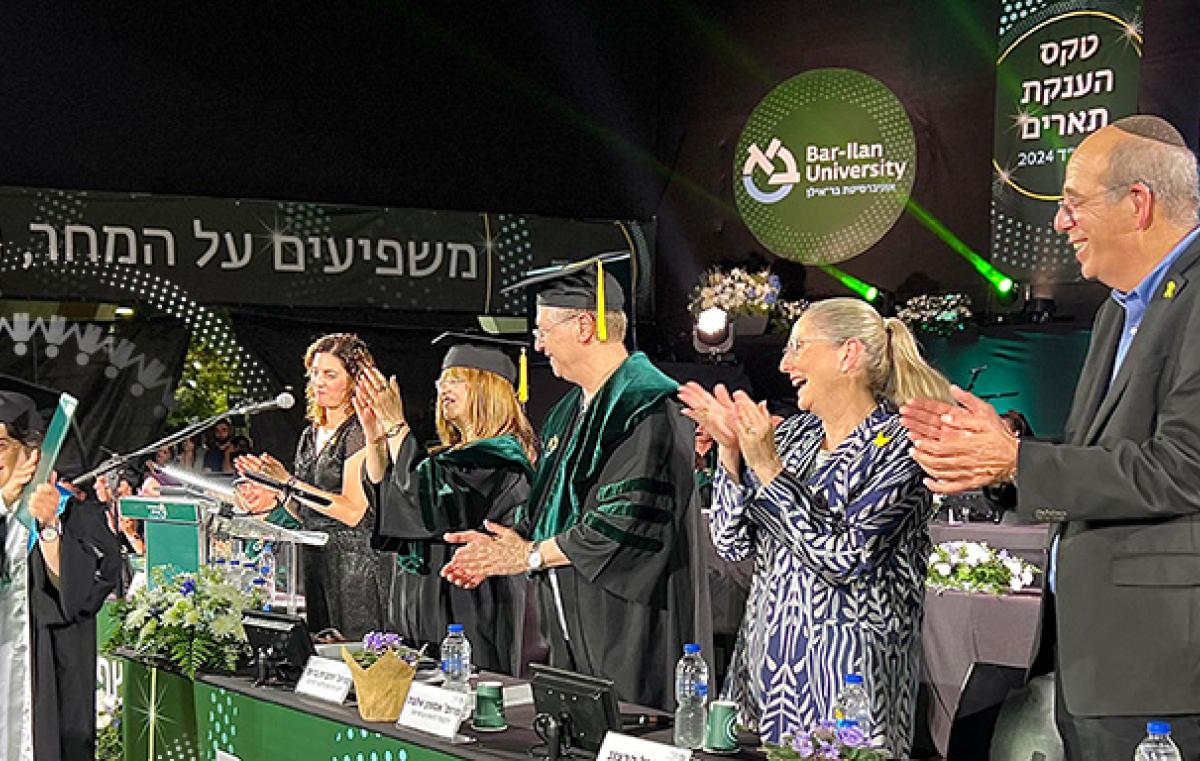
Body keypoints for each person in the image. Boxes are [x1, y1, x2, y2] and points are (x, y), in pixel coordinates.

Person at [900, 115, 1200, 760]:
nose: (1061, 223)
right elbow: (1106, 455)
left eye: (1073, 203)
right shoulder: (1118, 311)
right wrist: (1004, 457)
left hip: (1164, 672)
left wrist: (1019, 463)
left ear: (1138, 203)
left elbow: (1184, 468)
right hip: (1097, 662)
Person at [678, 297, 952, 754]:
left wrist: (768, 468)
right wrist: (729, 453)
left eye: (798, 347)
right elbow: (730, 542)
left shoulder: (903, 448)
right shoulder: (792, 437)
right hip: (766, 680)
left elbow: (844, 558)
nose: (785, 364)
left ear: (848, 354)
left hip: (849, 687)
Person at [441, 255, 708, 710]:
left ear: (584, 326)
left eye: (543, 330)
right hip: (569, 614)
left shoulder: (646, 409)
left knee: (627, 729)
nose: (538, 344)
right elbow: (550, 505)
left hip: (631, 620)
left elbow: (623, 525)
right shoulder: (568, 412)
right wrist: (505, 543)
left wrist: (527, 556)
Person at [357, 335, 536, 673]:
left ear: (488, 389)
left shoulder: (499, 460)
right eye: (442, 380)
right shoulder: (447, 458)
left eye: (457, 380)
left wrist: (396, 426)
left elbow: (428, 502)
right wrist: (376, 439)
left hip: (465, 605)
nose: (443, 388)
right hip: (419, 600)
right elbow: (392, 502)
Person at [238, 333, 388, 640]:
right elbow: (303, 510)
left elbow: (353, 511)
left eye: (330, 374)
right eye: (315, 373)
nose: (319, 382)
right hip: (314, 559)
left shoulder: (359, 432)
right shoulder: (310, 434)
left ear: (354, 381)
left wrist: (289, 482)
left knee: (353, 652)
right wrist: (274, 491)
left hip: (353, 567)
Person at [0, 390, 122, 760]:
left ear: (32, 454)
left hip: (44, 685)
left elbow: (78, 598)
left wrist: (50, 527)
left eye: (0, 446)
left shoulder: (72, 515)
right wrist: (4, 501)